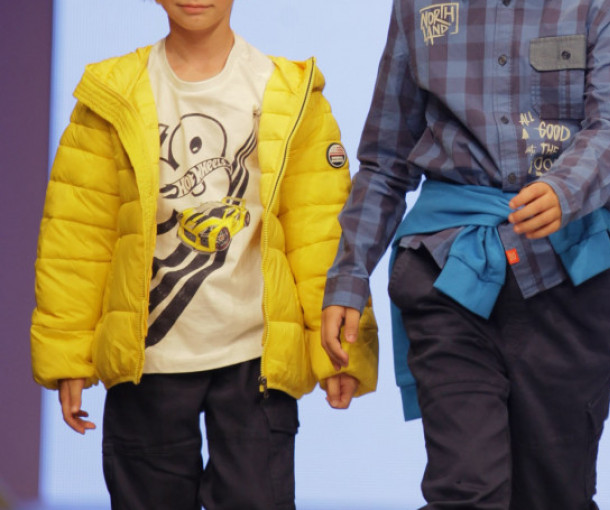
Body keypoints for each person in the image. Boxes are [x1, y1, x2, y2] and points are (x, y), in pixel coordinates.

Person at [30, 1, 378, 509]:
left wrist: (341, 353)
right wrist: (68, 354)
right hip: (147, 357)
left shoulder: (286, 90)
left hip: (255, 359)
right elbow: (78, 236)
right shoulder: (112, 93)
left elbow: (319, 231)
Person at [321, 0, 610, 508]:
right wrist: (348, 278)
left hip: (567, 274)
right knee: (465, 491)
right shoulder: (418, 6)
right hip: (449, 270)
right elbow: (385, 161)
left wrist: (564, 189)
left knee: (556, 494)